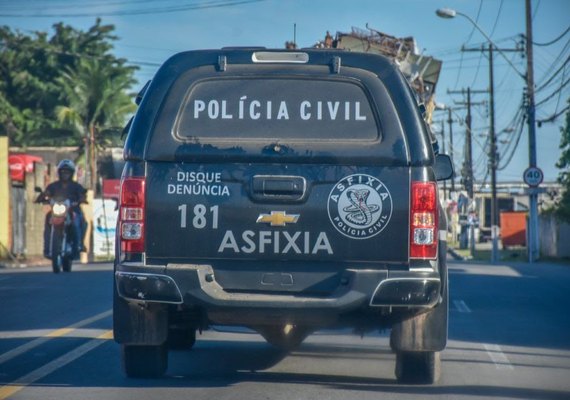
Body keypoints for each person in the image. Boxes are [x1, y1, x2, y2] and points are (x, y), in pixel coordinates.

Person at [37, 160, 87, 258]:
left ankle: (78, 245)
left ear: (72, 173)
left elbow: (82, 195)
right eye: (63, 172)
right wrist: (41, 197)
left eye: (67, 172)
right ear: (59, 173)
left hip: (72, 210)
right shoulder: (53, 186)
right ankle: (47, 249)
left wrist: (81, 199)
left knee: (79, 221)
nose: (65, 174)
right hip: (57, 210)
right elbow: (46, 193)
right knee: (48, 218)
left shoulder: (76, 186)